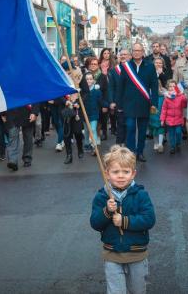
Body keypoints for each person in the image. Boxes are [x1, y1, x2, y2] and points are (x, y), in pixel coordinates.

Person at [90, 145, 156, 294]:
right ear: (107, 174)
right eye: (115, 172)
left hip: (137, 253)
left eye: (125, 172)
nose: (121, 176)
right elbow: (95, 223)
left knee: (137, 290)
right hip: (112, 253)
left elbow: (149, 219)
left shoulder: (141, 194)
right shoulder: (102, 196)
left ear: (133, 174)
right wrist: (107, 211)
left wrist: (125, 221)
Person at [117, 43, 159, 162]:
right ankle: (131, 152)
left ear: (143, 52)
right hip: (128, 103)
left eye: (139, 50)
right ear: (132, 52)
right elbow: (121, 86)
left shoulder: (150, 66)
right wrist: (119, 104)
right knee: (130, 128)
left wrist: (154, 103)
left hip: (144, 103)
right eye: (134, 50)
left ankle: (140, 152)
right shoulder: (126, 67)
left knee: (142, 130)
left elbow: (154, 86)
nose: (136, 52)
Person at [4, 104, 39, 171]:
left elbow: (35, 95)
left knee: (28, 137)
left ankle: (27, 158)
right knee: (12, 137)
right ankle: (12, 161)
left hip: (27, 111)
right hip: (12, 112)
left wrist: (34, 112)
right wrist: (2, 113)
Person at [174, 44, 188, 146]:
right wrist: (176, 93)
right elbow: (175, 80)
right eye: (186, 50)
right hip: (184, 93)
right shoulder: (179, 63)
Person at [109, 49, 131, 145]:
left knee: (130, 126)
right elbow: (111, 88)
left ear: (130, 56)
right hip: (119, 102)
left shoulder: (134, 69)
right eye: (121, 55)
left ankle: (128, 147)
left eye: (125, 54)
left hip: (131, 102)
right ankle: (118, 147)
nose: (123, 56)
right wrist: (112, 101)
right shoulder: (114, 71)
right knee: (120, 125)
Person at [82, 72, 107, 153]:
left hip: (94, 113)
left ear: (93, 80)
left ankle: (94, 146)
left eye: (90, 79)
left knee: (93, 129)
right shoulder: (82, 91)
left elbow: (101, 101)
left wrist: (106, 105)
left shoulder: (97, 91)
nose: (89, 81)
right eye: (87, 79)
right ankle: (86, 144)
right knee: (86, 130)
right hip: (85, 114)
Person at [161, 80, 188, 154]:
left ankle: (178, 143)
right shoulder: (166, 97)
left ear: (176, 87)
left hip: (178, 119)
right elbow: (164, 109)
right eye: (170, 86)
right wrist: (162, 119)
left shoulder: (180, 96)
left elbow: (185, 105)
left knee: (178, 132)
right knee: (171, 134)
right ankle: (172, 147)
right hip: (169, 120)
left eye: (173, 86)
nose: (172, 88)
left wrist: (184, 98)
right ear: (168, 87)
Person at [149, 58, 168, 153]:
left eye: (160, 63)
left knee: (160, 120)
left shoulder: (165, 74)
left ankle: (160, 143)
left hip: (161, 99)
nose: (158, 64)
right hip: (151, 99)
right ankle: (155, 142)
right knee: (152, 122)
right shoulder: (149, 73)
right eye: (156, 62)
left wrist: (161, 75)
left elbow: (167, 85)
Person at [62, 93, 84, 164]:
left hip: (76, 116)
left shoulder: (78, 85)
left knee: (78, 133)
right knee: (67, 135)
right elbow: (58, 98)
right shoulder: (63, 87)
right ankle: (69, 155)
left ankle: (80, 149)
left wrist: (78, 104)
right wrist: (65, 101)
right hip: (66, 116)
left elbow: (85, 94)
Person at [98, 48, 115, 141]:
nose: (106, 55)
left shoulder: (113, 65)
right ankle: (104, 132)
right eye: (104, 53)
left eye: (108, 53)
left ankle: (113, 127)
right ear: (102, 54)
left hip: (111, 91)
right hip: (103, 91)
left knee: (112, 112)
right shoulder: (99, 65)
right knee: (103, 113)